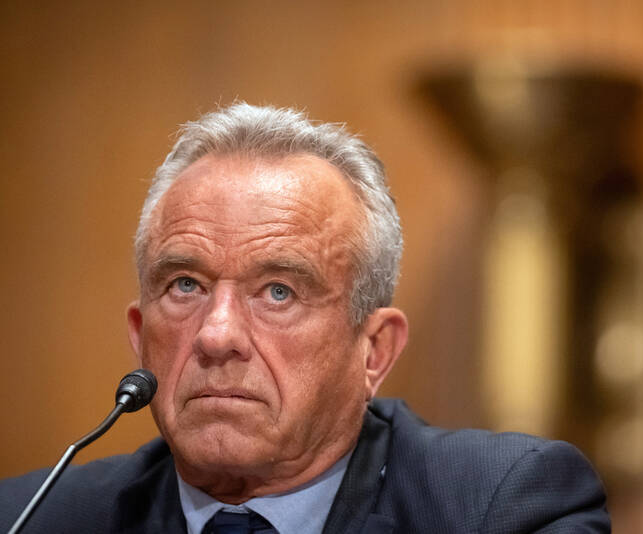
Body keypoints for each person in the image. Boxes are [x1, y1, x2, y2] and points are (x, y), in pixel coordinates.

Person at [0, 103, 610, 533]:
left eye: (279, 293)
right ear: (140, 337)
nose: (216, 336)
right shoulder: (31, 516)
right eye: (185, 285)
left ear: (373, 351)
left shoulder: (504, 509)